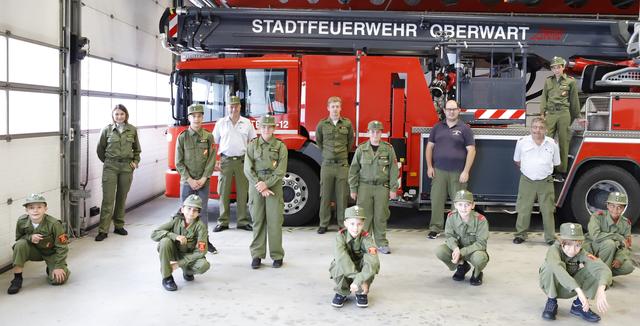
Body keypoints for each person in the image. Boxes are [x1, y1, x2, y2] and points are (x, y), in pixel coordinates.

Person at [539, 223, 611, 322]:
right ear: (561, 242)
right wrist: (578, 290)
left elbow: (602, 268)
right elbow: (557, 268)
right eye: (568, 244)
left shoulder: (581, 252)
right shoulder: (553, 250)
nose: (572, 250)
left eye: (577, 245)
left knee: (594, 270)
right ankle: (551, 301)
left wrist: (601, 287)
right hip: (554, 287)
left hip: (570, 289)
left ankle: (579, 305)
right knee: (550, 267)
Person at [425, 100, 476, 239]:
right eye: (449, 109)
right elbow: (429, 147)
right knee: (436, 200)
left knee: (459, 202)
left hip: (458, 172)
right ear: (444, 111)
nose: (451, 112)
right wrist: (429, 167)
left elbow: (471, 150)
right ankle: (435, 228)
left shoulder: (464, 129)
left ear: (459, 110)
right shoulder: (437, 128)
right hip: (439, 171)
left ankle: (455, 231)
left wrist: (466, 171)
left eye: (454, 109)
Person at [244, 115, 288, 269]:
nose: (266, 130)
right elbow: (247, 168)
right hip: (256, 187)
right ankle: (257, 255)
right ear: (259, 128)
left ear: (274, 128)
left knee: (275, 222)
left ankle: (277, 255)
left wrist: (266, 184)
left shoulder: (281, 146)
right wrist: (259, 185)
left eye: (269, 127)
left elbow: (281, 170)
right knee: (258, 221)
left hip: (273, 186)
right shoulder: (252, 145)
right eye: (263, 127)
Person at [348, 120, 399, 254]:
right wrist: (353, 189)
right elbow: (353, 170)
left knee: (380, 216)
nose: (375, 134)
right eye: (372, 132)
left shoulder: (388, 149)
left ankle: (382, 243)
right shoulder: (361, 148)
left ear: (381, 133)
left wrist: (393, 188)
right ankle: (364, 243)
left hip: (382, 187)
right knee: (364, 217)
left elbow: (394, 169)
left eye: (378, 132)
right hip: (364, 187)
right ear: (368, 133)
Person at [7, 194, 70, 294]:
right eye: (31, 208)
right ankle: (17, 279)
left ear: (45, 209)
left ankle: (51, 268)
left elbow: (62, 247)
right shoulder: (21, 221)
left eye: (39, 207)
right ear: (26, 210)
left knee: (58, 280)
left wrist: (58, 266)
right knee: (19, 245)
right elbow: (19, 238)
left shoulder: (54, 224)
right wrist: (30, 237)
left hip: (51, 252)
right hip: (34, 251)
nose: (35, 210)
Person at [95, 104, 141, 241]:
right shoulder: (106, 130)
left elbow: (137, 149)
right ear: (113, 116)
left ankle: (119, 225)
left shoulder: (132, 130)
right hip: (110, 167)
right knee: (108, 199)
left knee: (122, 197)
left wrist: (135, 162)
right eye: (117, 114)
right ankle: (103, 230)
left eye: (122, 114)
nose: (119, 116)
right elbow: (100, 149)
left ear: (126, 115)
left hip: (126, 167)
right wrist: (109, 162)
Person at [175, 103, 217, 253]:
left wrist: (204, 178)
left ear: (202, 117)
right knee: (185, 211)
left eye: (199, 116)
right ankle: (183, 241)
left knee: (202, 211)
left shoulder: (208, 137)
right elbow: (178, 162)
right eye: (194, 116)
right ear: (189, 118)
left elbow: (211, 160)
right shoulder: (182, 137)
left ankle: (204, 241)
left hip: (203, 182)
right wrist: (190, 180)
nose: (197, 119)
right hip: (187, 182)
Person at [212, 96, 257, 232]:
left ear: (240, 107)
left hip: (242, 161)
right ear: (227, 107)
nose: (234, 109)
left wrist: (252, 161)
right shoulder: (221, 123)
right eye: (231, 106)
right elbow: (213, 143)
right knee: (223, 192)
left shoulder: (247, 123)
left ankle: (242, 221)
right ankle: (223, 222)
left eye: (236, 106)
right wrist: (213, 160)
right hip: (225, 161)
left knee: (243, 193)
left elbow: (253, 142)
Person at [513, 117, 560, 245]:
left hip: (546, 182)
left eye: (540, 128)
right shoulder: (522, 142)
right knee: (523, 209)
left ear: (545, 129)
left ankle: (550, 238)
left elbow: (556, 162)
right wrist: (530, 170)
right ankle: (520, 235)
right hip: (527, 180)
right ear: (531, 128)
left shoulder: (552, 144)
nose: (537, 130)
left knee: (548, 210)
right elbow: (517, 160)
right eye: (535, 127)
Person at [151, 194, 210, 291]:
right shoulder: (175, 220)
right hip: (174, 252)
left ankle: (187, 271)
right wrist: (175, 236)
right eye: (189, 208)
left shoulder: (200, 227)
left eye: (195, 210)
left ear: (198, 213)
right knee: (165, 241)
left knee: (204, 265)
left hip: (189, 255)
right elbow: (154, 234)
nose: (191, 212)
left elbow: (201, 251)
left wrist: (179, 264)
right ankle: (167, 278)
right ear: (182, 209)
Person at [316, 96, 354, 234]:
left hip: (342, 166)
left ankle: (341, 224)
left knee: (342, 196)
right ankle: (323, 224)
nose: (335, 109)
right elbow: (319, 142)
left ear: (340, 108)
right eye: (333, 106)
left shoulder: (347, 124)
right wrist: (328, 154)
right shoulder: (322, 125)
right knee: (325, 196)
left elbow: (350, 142)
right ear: (328, 108)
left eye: (337, 106)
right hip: (327, 166)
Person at [329, 205, 380, 308]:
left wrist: (359, 280)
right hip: (346, 266)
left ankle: (361, 292)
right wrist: (358, 280)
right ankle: (342, 291)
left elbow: (373, 261)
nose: (355, 228)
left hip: (360, 268)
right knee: (337, 265)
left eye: (359, 224)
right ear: (345, 224)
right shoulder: (340, 236)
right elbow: (341, 258)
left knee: (370, 265)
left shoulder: (367, 238)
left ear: (363, 224)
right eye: (352, 224)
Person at [434, 190, 489, 286]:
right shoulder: (451, 217)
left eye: (467, 205)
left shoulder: (481, 220)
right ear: (455, 205)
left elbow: (481, 243)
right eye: (460, 204)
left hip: (473, 252)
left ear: (473, 205)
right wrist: (455, 248)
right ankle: (462, 266)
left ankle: (477, 272)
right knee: (440, 251)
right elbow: (449, 236)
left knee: (480, 258)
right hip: (457, 250)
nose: (463, 208)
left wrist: (461, 252)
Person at [540, 56, 580, 181]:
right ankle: (547, 170)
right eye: (553, 68)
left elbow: (574, 101)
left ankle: (561, 171)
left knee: (563, 142)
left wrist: (577, 117)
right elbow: (543, 97)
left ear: (563, 67)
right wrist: (542, 113)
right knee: (546, 141)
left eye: (558, 67)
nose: (556, 70)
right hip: (551, 114)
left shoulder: (570, 82)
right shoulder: (548, 81)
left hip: (564, 114)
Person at [584, 192, 634, 277]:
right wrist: (617, 237)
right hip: (592, 249)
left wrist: (619, 258)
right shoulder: (597, 217)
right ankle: (602, 276)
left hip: (611, 254)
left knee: (628, 267)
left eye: (620, 207)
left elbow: (626, 245)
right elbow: (596, 236)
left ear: (624, 208)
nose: (615, 210)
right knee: (609, 243)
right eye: (612, 206)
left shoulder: (626, 223)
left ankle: (600, 272)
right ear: (607, 205)